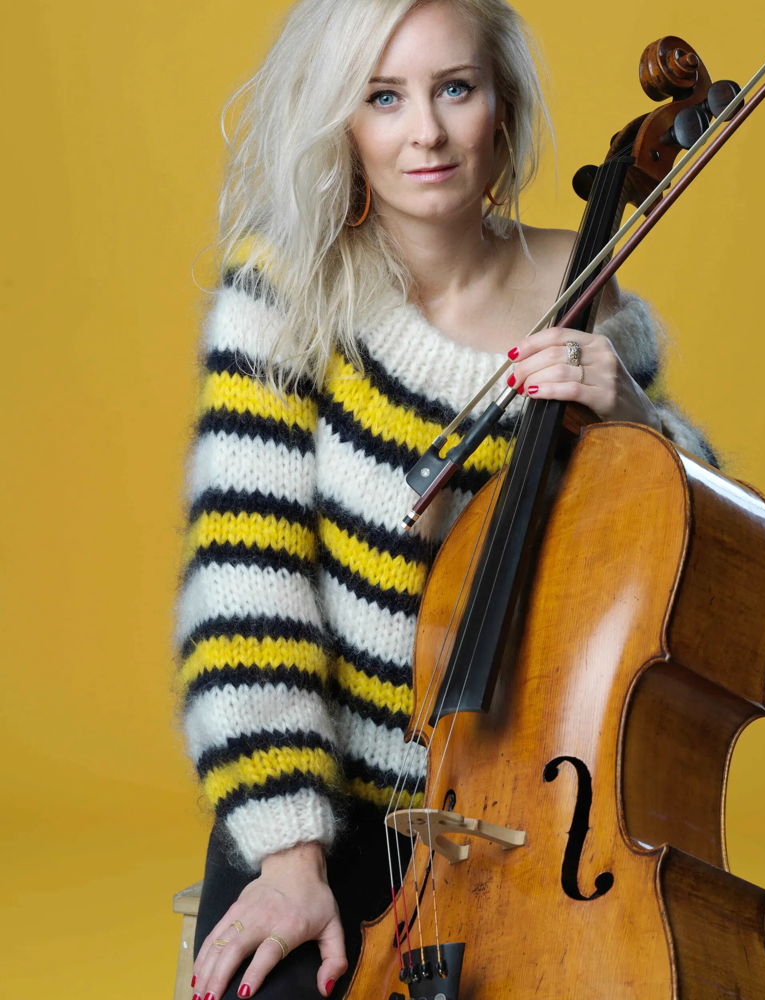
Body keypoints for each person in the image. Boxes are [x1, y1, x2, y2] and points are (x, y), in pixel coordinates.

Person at [176, 1, 716, 998]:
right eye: (383, 97)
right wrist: (289, 857)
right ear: (343, 120)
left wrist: (632, 414)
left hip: (526, 833)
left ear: (499, 107)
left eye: (454, 89)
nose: (424, 131)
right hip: (325, 816)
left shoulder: (581, 287)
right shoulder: (286, 291)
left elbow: (691, 536)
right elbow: (245, 593)